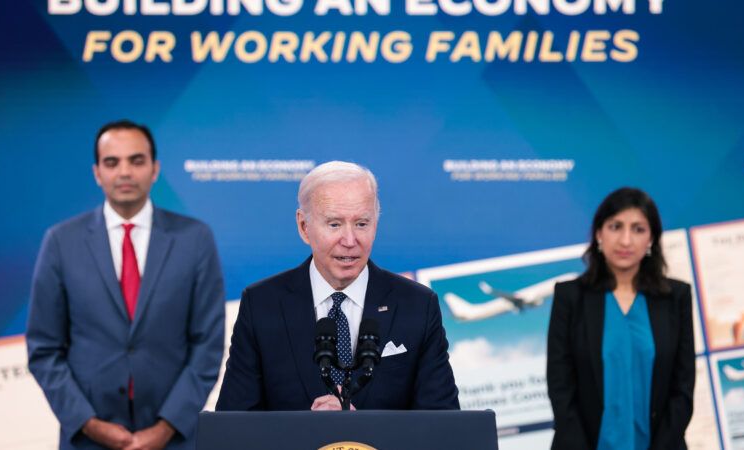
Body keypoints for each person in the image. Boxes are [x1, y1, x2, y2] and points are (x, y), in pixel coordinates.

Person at [26, 120, 224, 450]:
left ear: (155, 168)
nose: (125, 172)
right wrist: (89, 424)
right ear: (97, 173)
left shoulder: (195, 239)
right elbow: (44, 350)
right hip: (87, 439)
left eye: (136, 160)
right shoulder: (61, 241)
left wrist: (165, 427)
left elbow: (208, 345)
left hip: (174, 439)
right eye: (112, 162)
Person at [216, 161, 459, 411]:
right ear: (304, 227)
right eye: (334, 224)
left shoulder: (417, 305)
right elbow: (233, 430)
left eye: (361, 223)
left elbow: (445, 429)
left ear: (376, 224)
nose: (350, 240)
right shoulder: (261, 306)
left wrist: (363, 432)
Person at [547, 187, 694, 450]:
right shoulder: (570, 297)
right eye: (616, 226)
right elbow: (561, 388)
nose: (626, 241)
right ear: (599, 233)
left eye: (638, 229)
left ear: (651, 239)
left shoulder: (676, 297)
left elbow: (682, 390)